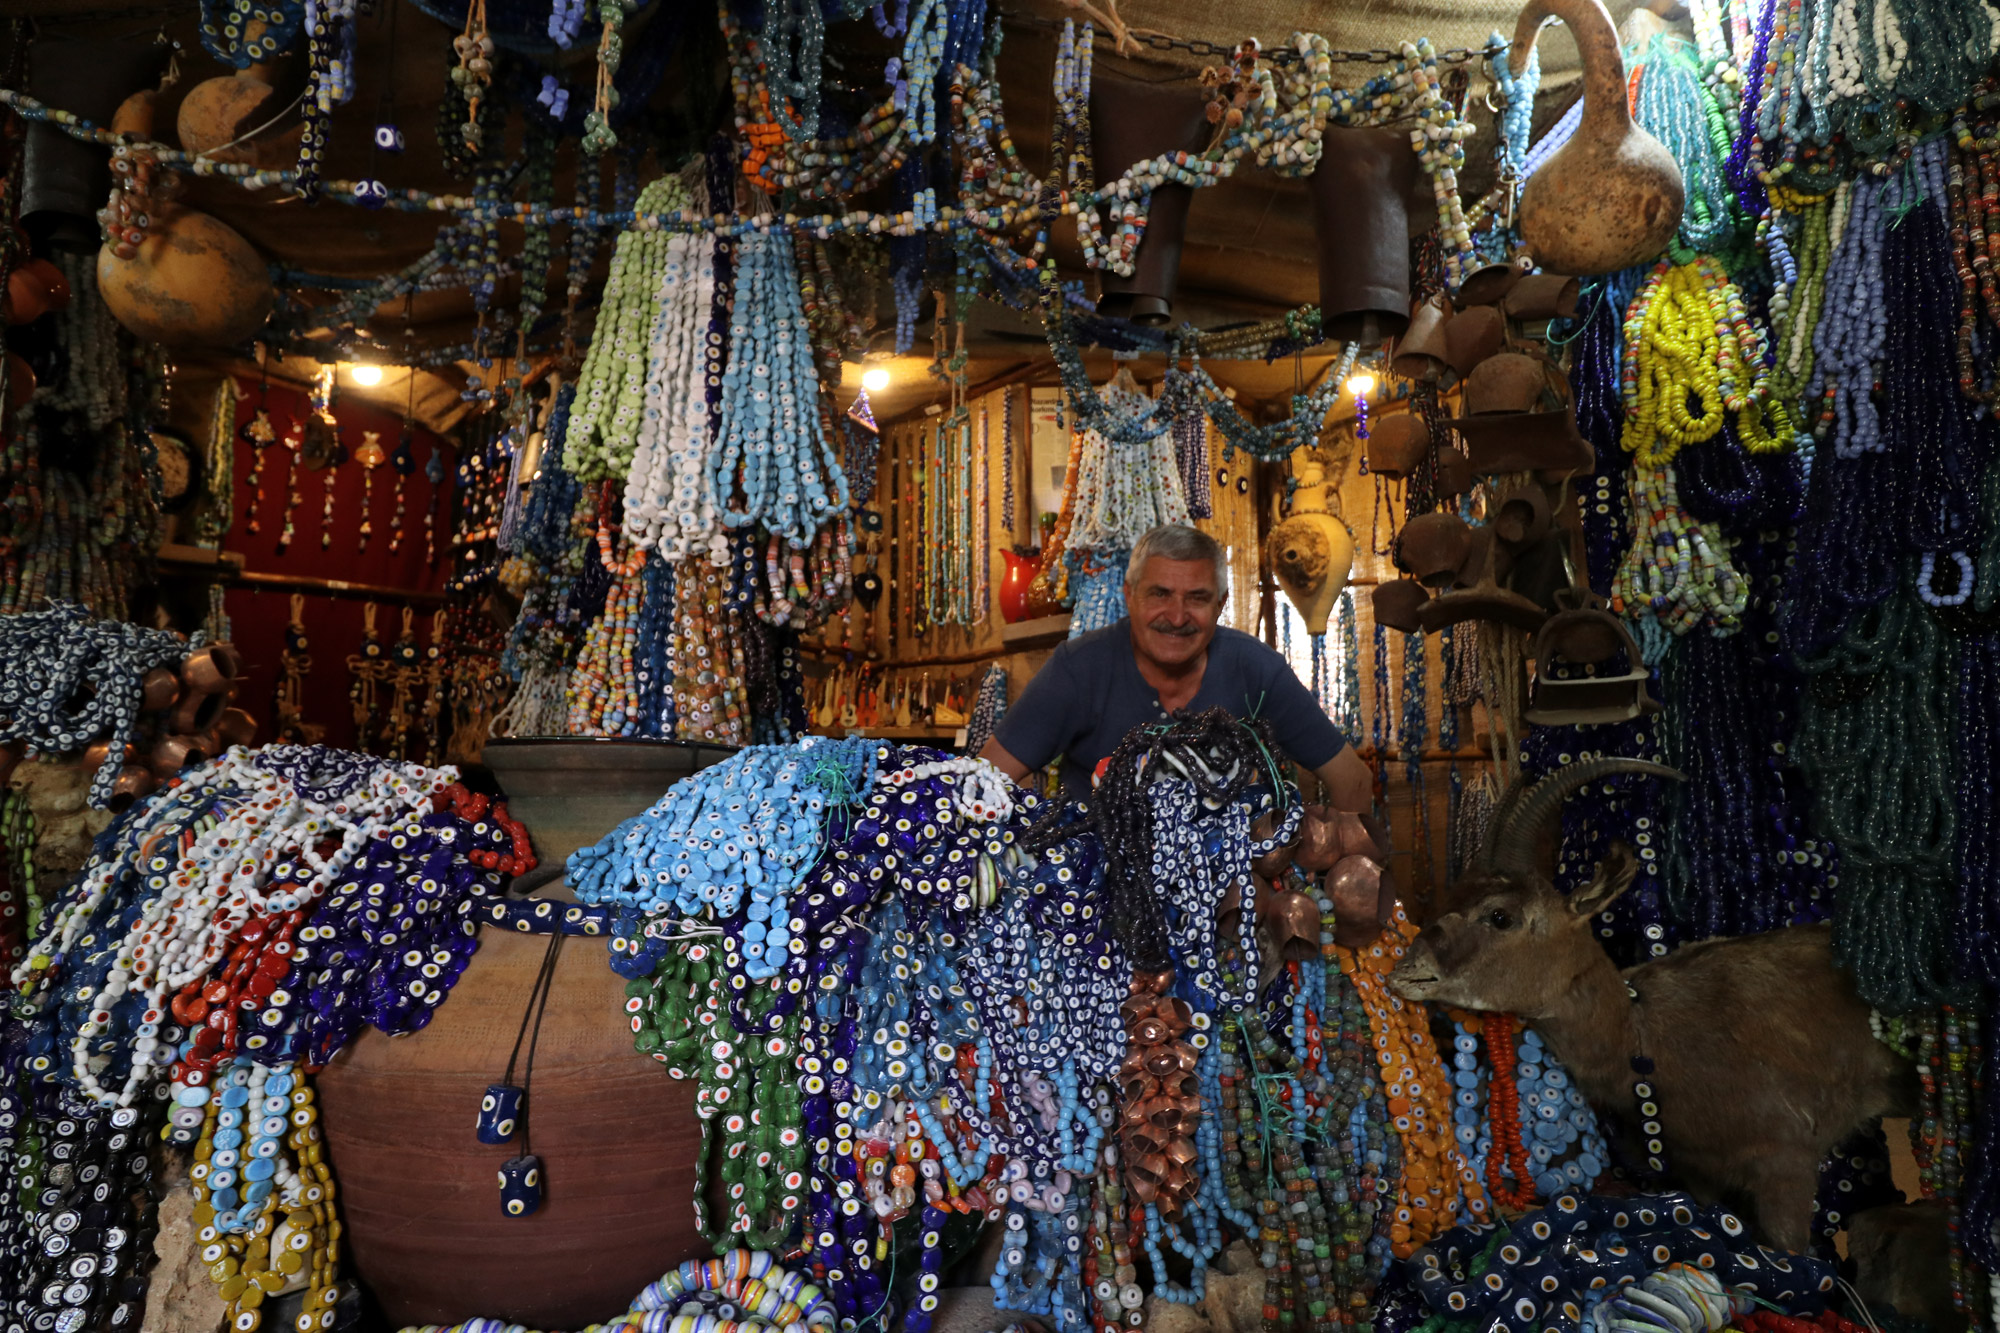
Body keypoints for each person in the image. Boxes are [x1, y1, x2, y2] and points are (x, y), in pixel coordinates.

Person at [979, 524, 1372, 810]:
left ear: (1220, 605)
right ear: (1130, 596)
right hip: (1100, 903)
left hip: (1233, 901)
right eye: (1160, 594)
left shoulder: (1255, 669)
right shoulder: (1079, 668)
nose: (1177, 616)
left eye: (1197, 598)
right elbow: (988, 780)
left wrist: (1330, 873)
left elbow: (1352, 780)